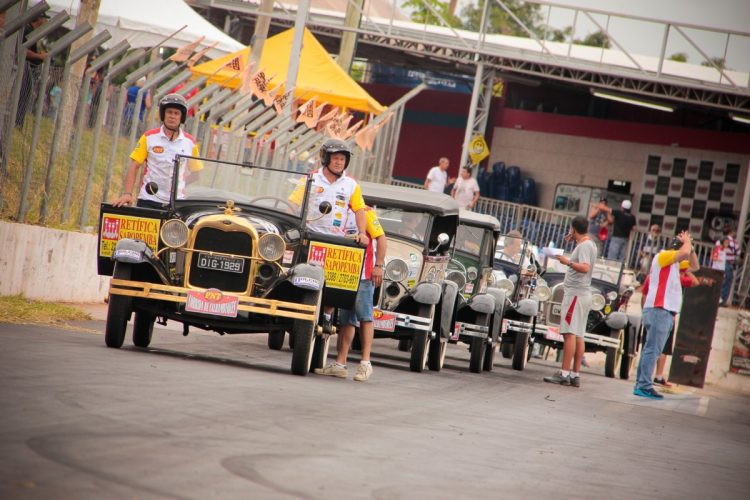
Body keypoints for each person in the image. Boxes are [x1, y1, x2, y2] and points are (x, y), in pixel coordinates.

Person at [288, 139, 369, 332]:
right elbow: (292, 204)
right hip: (309, 237)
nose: (339, 162)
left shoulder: (351, 184)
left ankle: (326, 316)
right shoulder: (311, 178)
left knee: (333, 282)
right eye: (335, 158)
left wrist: (362, 233)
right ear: (326, 158)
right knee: (295, 276)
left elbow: (359, 210)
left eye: (342, 159)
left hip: (334, 240)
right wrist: (292, 225)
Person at [315, 206, 387, 381]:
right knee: (347, 319)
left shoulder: (367, 213)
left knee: (365, 317)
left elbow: (381, 238)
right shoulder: (337, 209)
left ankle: (366, 363)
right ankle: (340, 364)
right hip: (344, 274)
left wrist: (378, 266)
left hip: (364, 276)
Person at [634, 231, 699, 399]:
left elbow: (695, 266)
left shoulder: (674, 263)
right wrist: (687, 242)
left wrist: (691, 248)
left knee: (650, 350)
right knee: (652, 351)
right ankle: (644, 386)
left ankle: (641, 384)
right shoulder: (663, 256)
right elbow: (683, 253)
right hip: (659, 309)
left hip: (662, 311)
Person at [112, 94, 202, 209]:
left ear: (182, 117)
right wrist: (127, 194)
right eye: (169, 112)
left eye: (176, 113)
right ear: (163, 114)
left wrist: (178, 186)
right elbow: (134, 166)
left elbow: (196, 174)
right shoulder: (149, 137)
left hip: (176, 202)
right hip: (148, 199)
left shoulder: (190, 142)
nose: (172, 116)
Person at [543, 216, 597, 388]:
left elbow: (585, 267)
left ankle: (565, 373)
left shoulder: (584, 246)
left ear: (574, 229)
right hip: (582, 294)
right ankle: (575, 374)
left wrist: (568, 261)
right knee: (579, 334)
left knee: (569, 334)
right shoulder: (588, 244)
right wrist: (574, 238)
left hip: (575, 294)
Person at [640, 265, 713, 387]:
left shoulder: (652, 276)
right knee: (662, 348)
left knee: (648, 346)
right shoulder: (675, 277)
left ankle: (644, 375)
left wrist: (644, 312)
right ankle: (657, 376)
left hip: (651, 313)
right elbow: (695, 282)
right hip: (666, 315)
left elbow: (644, 295)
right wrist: (687, 271)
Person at [15, 15, 47, 128]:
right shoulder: (28, 30)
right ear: (39, 19)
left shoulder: (34, 33)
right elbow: (24, 50)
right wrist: (40, 56)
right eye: (44, 19)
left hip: (29, 68)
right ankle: (17, 121)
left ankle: (19, 121)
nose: (46, 21)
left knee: (25, 95)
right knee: (22, 94)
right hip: (24, 67)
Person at [717, 227, 740, 306]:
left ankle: (715, 298)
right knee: (727, 282)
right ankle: (722, 301)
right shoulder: (734, 242)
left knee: (718, 281)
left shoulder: (719, 240)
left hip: (719, 263)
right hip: (728, 263)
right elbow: (738, 252)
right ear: (731, 232)